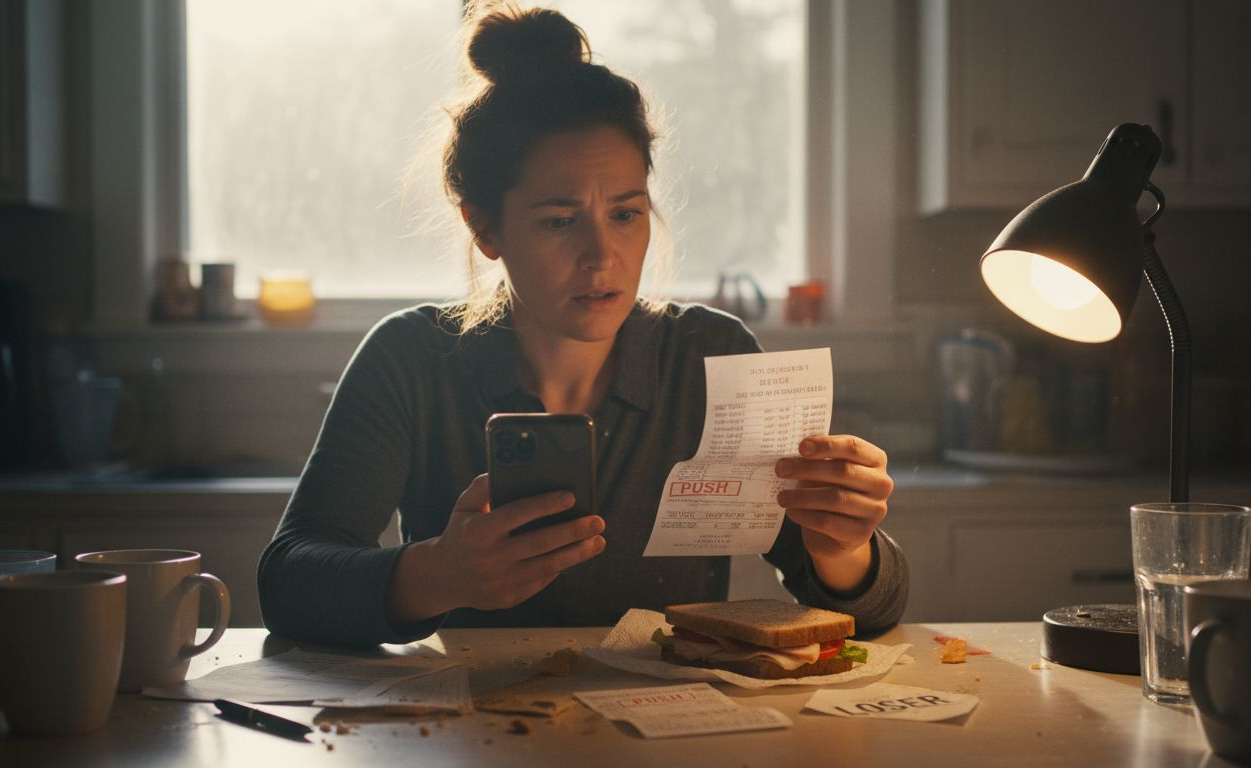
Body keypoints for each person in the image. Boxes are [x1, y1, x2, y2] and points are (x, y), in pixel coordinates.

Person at [258, 3, 907, 648]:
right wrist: (436, 575)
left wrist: (844, 548)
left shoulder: (713, 360)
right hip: (470, 736)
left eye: (625, 214)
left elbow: (872, 611)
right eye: (560, 220)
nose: (603, 257)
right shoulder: (411, 360)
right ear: (485, 228)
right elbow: (288, 582)